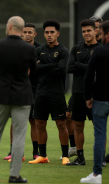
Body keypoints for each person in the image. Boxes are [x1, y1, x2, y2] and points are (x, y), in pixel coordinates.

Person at [0, 16, 36, 183]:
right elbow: (32, 70)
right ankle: (14, 175)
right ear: (21, 29)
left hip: (2, 94)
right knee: (19, 136)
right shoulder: (29, 49)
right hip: (22, 95)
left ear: (10, 26)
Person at [28, 19, 70, 165]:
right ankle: (43, 155)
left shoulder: (63, 51)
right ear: (44, 34)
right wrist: (53, 64)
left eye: (52, 32)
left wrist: (44, 64)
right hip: (40, 93)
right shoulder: (38, 50)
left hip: (57, 92)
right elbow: (34, 70)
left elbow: (61, 70)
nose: (49, 35)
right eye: (47, 32)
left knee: (61, 124)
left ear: (58, 33)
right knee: (39, 123)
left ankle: (65, 156)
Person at [5, 23, 41, 161]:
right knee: (15, 121)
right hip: (17, 88)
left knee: (33, 120)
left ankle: (36, 152)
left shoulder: (39, 49)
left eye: (30, 32)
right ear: (21, 33)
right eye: (25, 32)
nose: (27, 34)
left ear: (34, 34)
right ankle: (13, 151)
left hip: (34, 89)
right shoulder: (16, 48)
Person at [66, 19, 100, 166]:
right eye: (84, 31)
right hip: (78, 93)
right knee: (78, 126)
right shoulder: (76, 49)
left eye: (89, 31)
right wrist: (88, 66)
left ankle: (100, 158)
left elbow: (99, 69)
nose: (86, 33)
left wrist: (79, 65)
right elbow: (69, 68)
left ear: (95, 31)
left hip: (95, 94)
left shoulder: (101, 49)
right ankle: (80, 158)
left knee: (98, 126)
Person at [81, 20, 109, 184]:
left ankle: (96, 175)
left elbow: (89, 76)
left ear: (106, 34)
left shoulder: (99, 52)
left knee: (99, 136)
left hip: (100, 99)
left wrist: (88, 97)